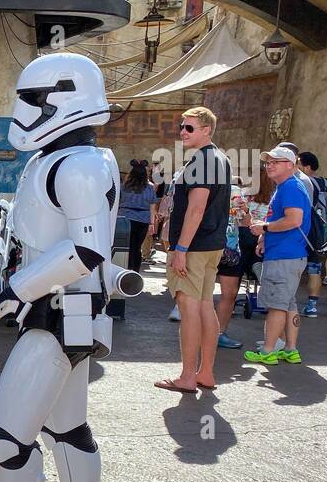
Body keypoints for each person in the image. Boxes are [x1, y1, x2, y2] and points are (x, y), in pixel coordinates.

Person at [0, 53, 136, 482]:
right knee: (68, 429)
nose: (25, 110)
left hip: (57, 313)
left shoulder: (76, 164)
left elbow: (85, 250)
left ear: (65, 100)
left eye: (34, 99)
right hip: (70, 312)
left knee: (8, 438)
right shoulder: (68, 160)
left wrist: (14, 289)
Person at [155, 106, 231, 393]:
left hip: (195, 246)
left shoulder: (203, 161)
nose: (182, 132)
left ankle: (188, 376)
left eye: (189, 128)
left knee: (189, 309)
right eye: (181, 126)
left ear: (206, 130)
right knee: (203, 308)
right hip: (211, 244)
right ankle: (206, 373)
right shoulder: (219, 158)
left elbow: (197, 209)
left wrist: (181, 249)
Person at [244, 147, 311, 365]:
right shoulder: (287, 187)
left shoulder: (290, 187)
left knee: (276, 305)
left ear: (290, 165)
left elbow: (294, 220)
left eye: (276, 162)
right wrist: (265, 237)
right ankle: (290, 349)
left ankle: (268, 350)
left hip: (284, 256)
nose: (270, 165)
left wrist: (264, 228)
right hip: (290, 255)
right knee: (289, 304)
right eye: (268, 162)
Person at [215, 170, 271, 349]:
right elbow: (245, 220)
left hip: (203, 245)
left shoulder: (200, 188)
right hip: (230, 247)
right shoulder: (235, 193)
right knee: (228, 294)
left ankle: (197, 331)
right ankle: (218, 333)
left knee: (200, 294)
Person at [296, 151, 327, 316]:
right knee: (315, 270)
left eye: (299, 164)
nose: (296, 167)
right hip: (322, 234)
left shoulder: (303, 182)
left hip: (305, 232)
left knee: (294, 269)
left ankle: (288, 305)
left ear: (307, 167)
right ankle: (312, 306)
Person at [113, 159, 156, 320]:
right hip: (143, 219)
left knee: (125, 248)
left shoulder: (124, 186)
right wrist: (152, 223)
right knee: (136, 247)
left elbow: (117, 203)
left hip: (125, 217)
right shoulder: (150, 187)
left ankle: (122, 271)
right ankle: (134, 273)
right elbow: (153, 207)